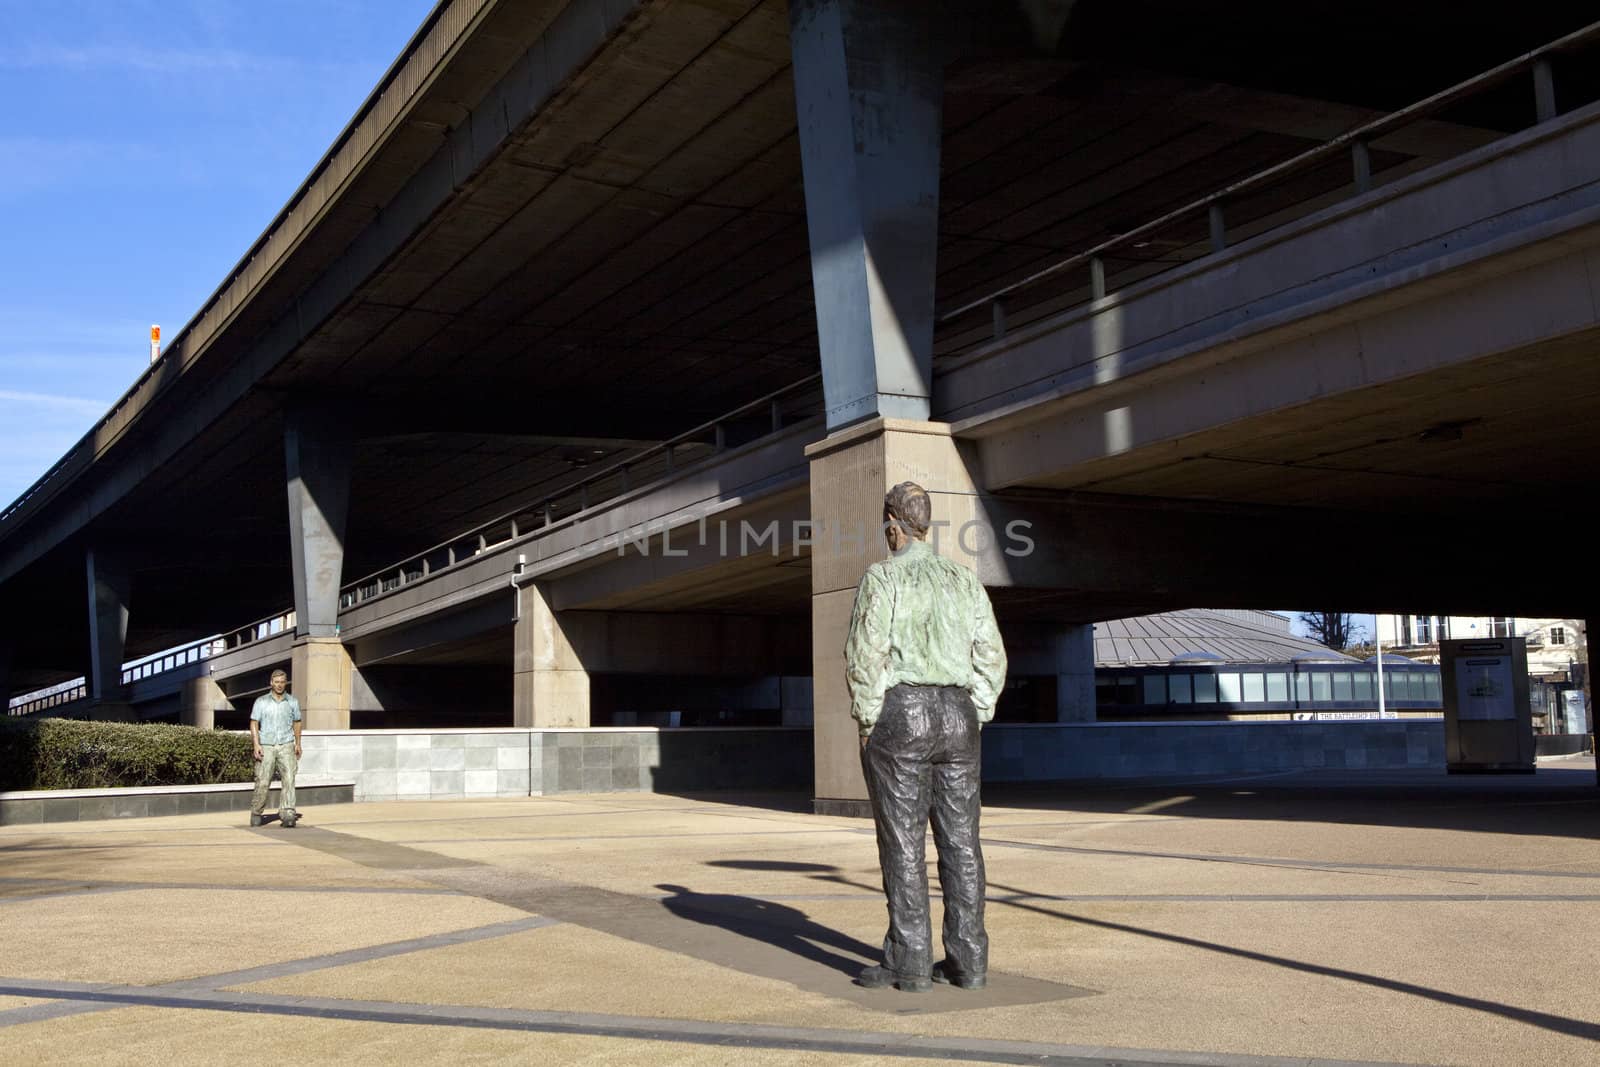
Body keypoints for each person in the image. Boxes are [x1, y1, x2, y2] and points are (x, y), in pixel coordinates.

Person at [845, 482, 1007, 993]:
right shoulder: (964, 579)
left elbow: (866, 654)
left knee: (904, 840)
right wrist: (975, 709)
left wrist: (869, 720)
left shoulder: (883, 577)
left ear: (893, 523)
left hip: (904, 713)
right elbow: (991, 655)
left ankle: (910, 960)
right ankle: (969, 960)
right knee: (962, 842)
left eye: (885, 524)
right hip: (959, 715)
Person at [249, 669, 303, 828]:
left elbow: (297, 722)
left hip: (286, 744)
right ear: (271, 683)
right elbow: (254, 722)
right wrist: (256, 744)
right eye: (276, 682)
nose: (279, 685)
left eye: (282, 682)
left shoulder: (292, 701)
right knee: (263, 780)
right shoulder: (261, 701)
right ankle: (256, 811)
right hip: (267, 745)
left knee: (289, 779)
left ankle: (288, 813)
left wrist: (298, 743)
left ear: (286, 683)